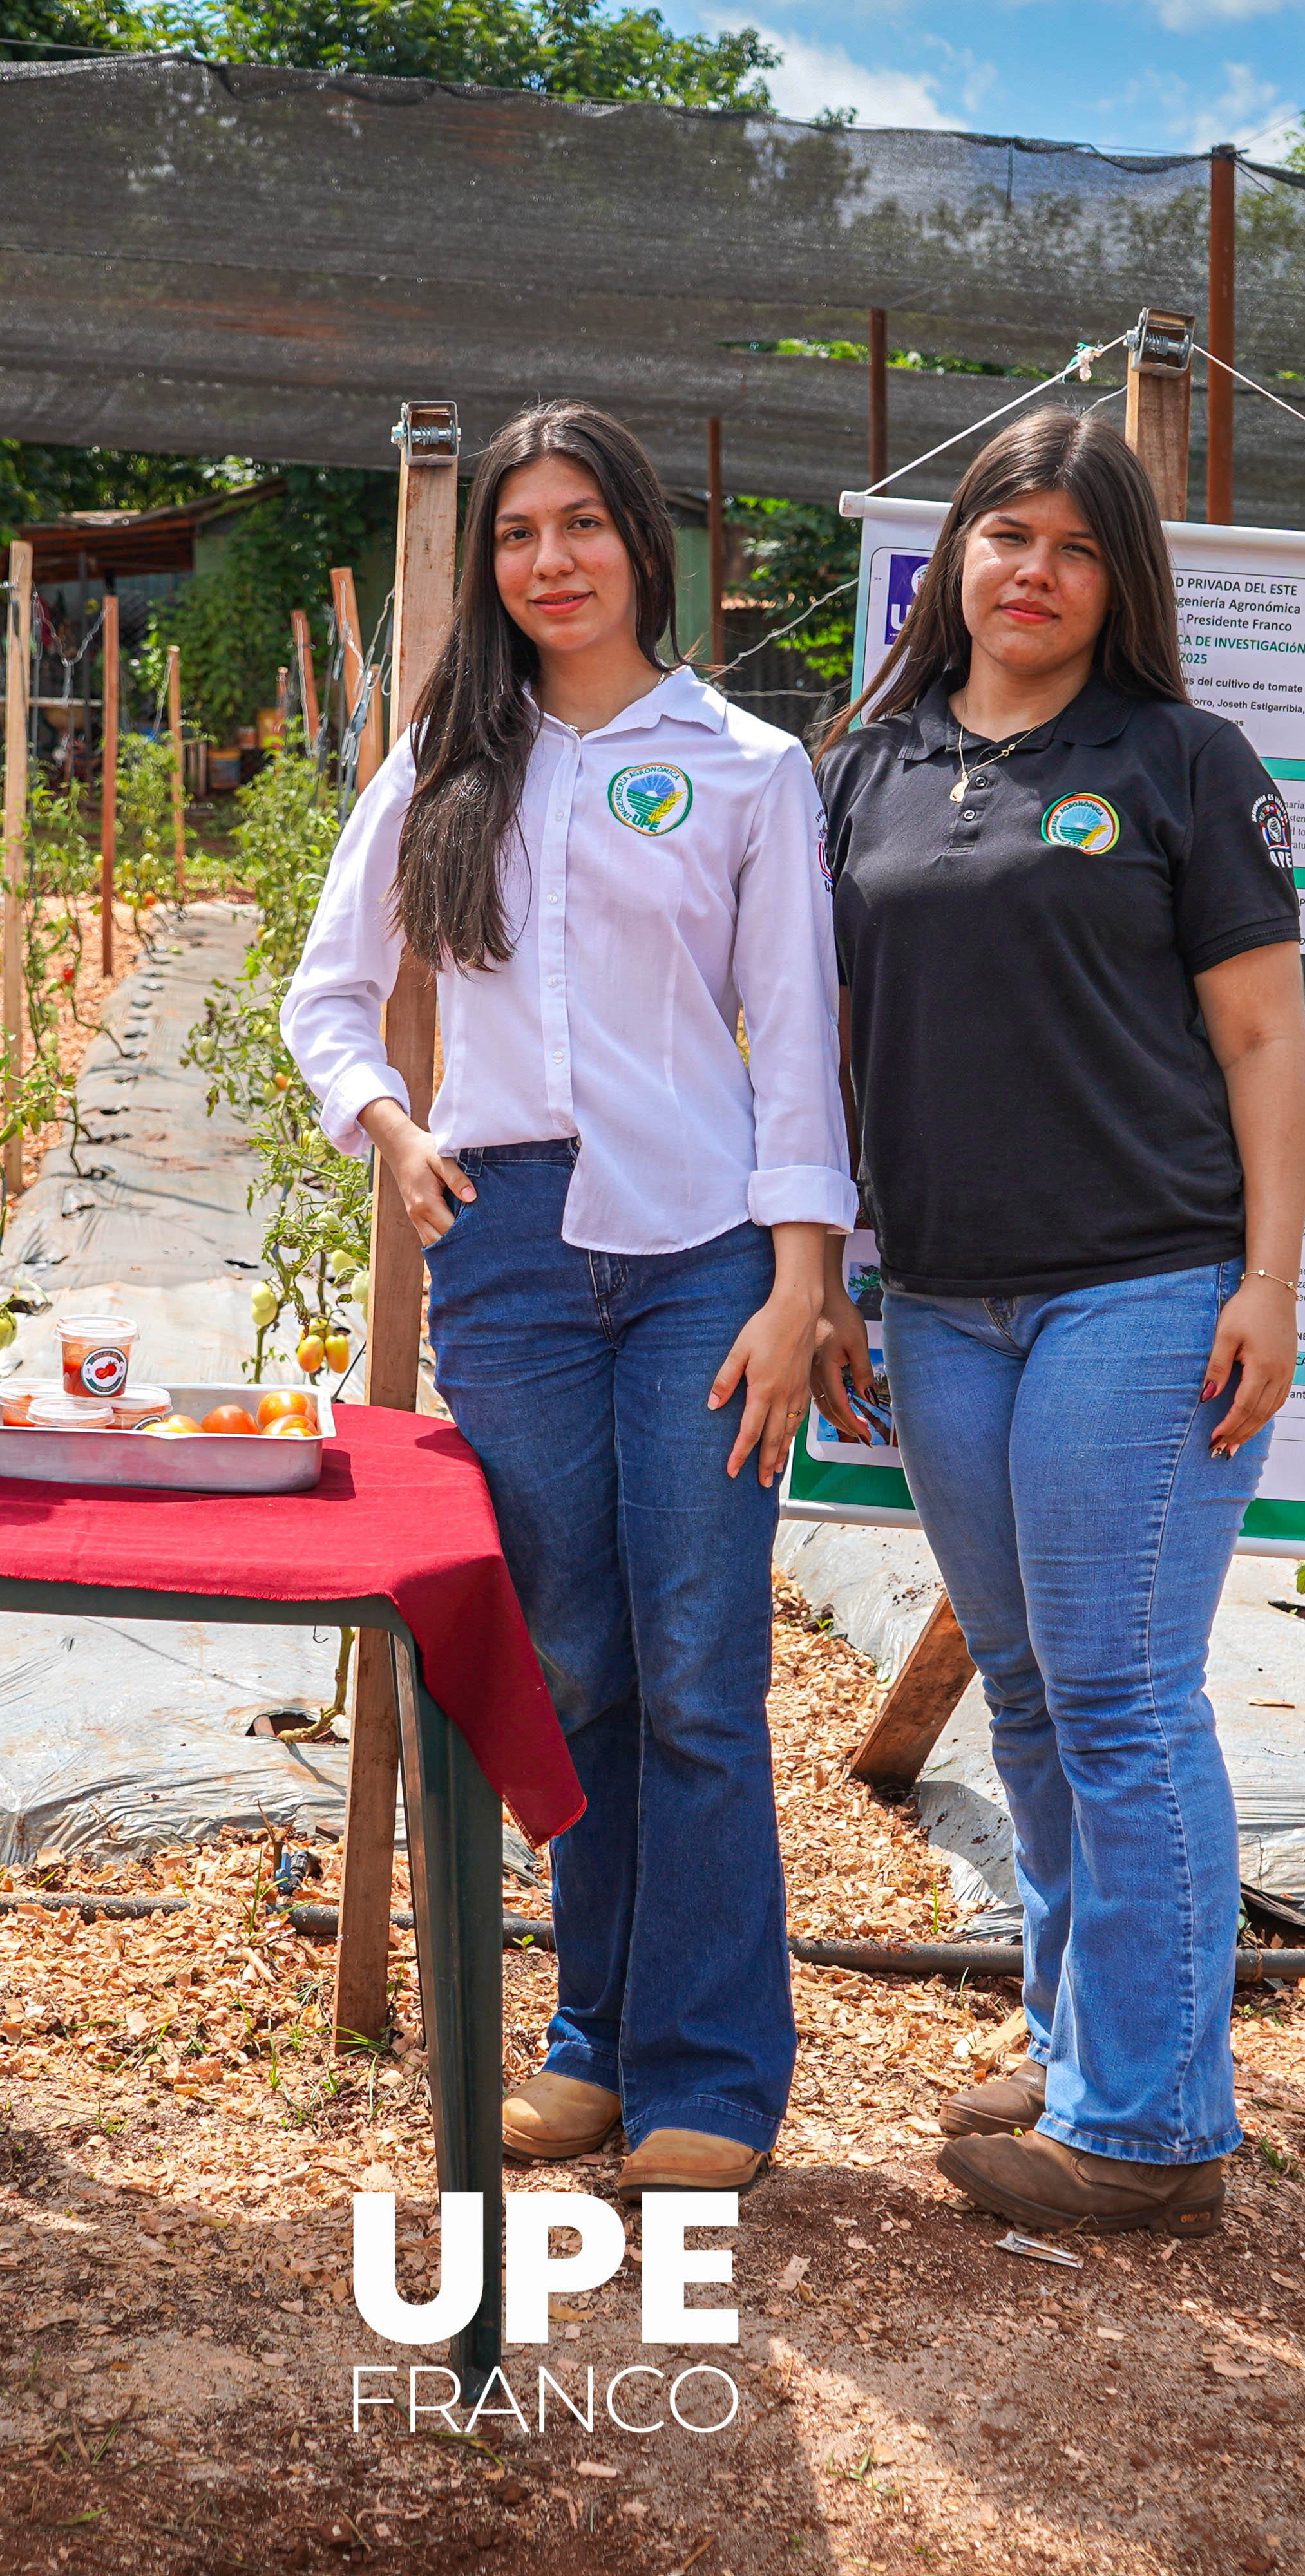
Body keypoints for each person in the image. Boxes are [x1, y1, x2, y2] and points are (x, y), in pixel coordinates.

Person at [284, 402, 855, 2197]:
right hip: (513, 1253)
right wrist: (388, 1124)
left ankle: (714, 2073)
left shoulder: (752, 766)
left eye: (582, 523)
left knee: (698, 1671)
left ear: (643, 546)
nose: (551, 558)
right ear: (491, 563)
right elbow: (326, 996)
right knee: (573, 1665)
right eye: (520, 531)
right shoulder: (445, 766)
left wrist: (799, 1283)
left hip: (701, 1260)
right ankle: (594, 2040)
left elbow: (801, 1053)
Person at [816, 411, 1305, 2238]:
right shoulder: (867, 767)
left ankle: (1156, 2127)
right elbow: (822, 1046)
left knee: (1117, 1695)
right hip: (943, 1298)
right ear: (952, 560)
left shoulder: (1182, 762)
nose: (1031, 570)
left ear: (1122, 586)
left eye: (1074, 548)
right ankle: (1078, 2034)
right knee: (1025, 1696)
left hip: (1147, 1282)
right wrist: (836, 1266)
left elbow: (1265, 1041)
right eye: (1003, 535)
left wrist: (1270, 1279)